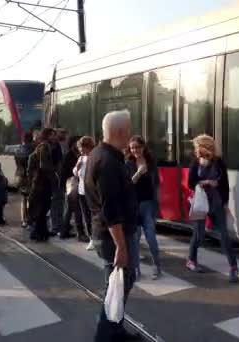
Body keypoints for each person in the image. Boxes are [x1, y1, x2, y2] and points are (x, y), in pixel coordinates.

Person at [85, 110, 140, 341]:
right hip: (113, 236)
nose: (130, 135)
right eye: (128, 130)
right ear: (119, 131)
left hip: (108, 233)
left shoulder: (100, 154)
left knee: (119, 283)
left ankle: (115, 330)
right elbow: (110, 209)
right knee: (116, 287)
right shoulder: (107, 162)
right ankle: (106, 335)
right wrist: (121, 246)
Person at [187, 134, 239, 283]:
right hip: (200, 202)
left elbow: (225, 184)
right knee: (199, 234)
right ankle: (191, 260)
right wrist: (207, 181)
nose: (195, 150)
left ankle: (233, 268)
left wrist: (225, 203)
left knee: (224, 236)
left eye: (198, 147)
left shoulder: (218, 162)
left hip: (216, 202)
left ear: (206, 147)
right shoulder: (195, 163)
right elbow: (191, 183)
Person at [126, 135, 161, 280]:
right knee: (134, 238)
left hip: (148, 204)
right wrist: (138, 173)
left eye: (138, 147)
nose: (135, 150)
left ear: (143, 147)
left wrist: (156, 202)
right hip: (134, 205)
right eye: (132, 147)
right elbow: (127, 185)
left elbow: (156, 183)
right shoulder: (128, 163)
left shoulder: (151, 162)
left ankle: (157, 266)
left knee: (151, 237)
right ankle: (136, 269)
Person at [28, 128, 57, 242]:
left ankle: (42, 231)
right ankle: (37, 232)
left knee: (42, 207)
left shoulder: (42, 146)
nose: (55, 137)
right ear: (48, 136)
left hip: (40, 182)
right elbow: (44, 166)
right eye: (53, 135)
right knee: (42, 207)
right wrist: (54, 176)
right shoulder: (44, 147)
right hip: (42, 183)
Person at [74, 136, 96, 249]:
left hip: (92, 192)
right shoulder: (81, 159)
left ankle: (97, 237)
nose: (81, 151)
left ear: (88, 147)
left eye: (82, 148)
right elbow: (75, 173)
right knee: (86, 216)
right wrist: (77, 167)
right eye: (79, 149)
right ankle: (92, 238)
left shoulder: (94, 157)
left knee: (94, 215)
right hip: (82, 190)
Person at [59, 135, 82, 240]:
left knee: (69, 209)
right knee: (76, 209)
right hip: (72, 184)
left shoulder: (73, 154)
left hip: (71, 184)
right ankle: (79, 233)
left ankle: (64, 230)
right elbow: (65, 172)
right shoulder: (70, 155)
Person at [48, 128, 67, 235]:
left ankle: (58, 225)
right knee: (56, 202)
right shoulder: (53, 147)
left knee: (59, 202)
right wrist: (58, 175)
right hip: (56, 178)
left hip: (58, 178)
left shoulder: (57, 146)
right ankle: (56, 226)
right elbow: (58, 164)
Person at [14, 132, 35, 228]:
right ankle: (29, 219)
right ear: (31, 139)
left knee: (23, 198)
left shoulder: (18, 149)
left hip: (19, 175)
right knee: (31, 199)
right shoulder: (32, 149)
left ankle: (23, 220)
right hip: (29, 176)